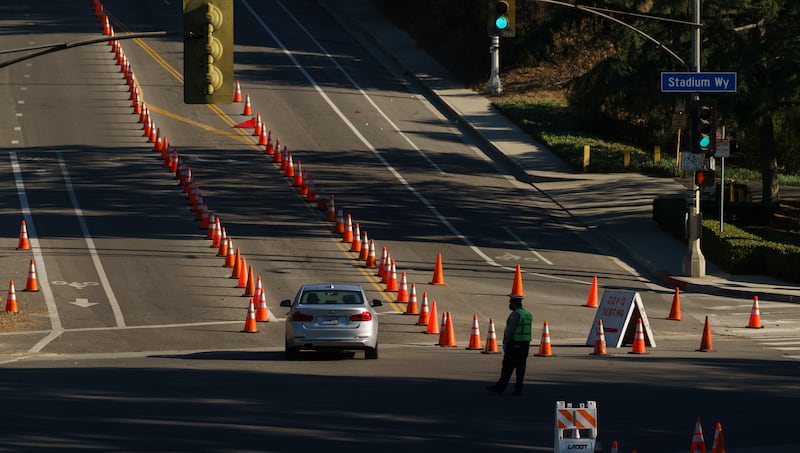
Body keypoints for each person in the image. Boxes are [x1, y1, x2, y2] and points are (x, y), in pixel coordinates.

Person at [487, 295, 533, 396]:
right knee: (521, 368)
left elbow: (510, 330)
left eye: (511, 303)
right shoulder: (528, 314)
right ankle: (518, 390)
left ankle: (500, 388)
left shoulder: (516, 314)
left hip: (514, 344)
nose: (510, 305)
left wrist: (505, 343)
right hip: (525, 344)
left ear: (515, 303)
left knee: (507, 367)